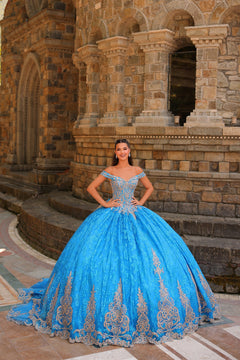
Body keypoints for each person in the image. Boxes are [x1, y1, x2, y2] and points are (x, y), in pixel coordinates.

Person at [7, 139, 220, 347]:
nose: (122, 152)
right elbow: (92, 188)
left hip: (136, 215)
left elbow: (149, 188)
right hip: (112, 215)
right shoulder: (110, 170)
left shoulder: (137, 170)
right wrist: (105, 203)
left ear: (129, 151)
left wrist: (141, 202)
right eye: (118, 149)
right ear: (115, 152)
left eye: (124, 149)